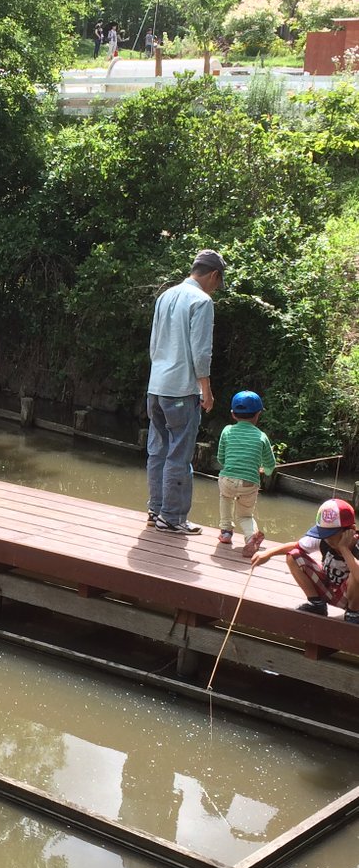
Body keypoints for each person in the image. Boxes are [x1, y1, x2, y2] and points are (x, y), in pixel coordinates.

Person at [146, 248, 225, 534]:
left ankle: (156, 510)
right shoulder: (202, 301)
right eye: (218, 283)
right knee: (179, 454)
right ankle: (173, 517)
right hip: (181, 390)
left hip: (155, 386)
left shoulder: (165, 295)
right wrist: (206, 390)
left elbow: (154, 345)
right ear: (214, 275)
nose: (216, 289)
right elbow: (201, 353)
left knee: (157, 451)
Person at [251, 498, 359, 624]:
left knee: (355, 574)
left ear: (350, 530)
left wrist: (344, 549)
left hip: (353, 596)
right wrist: (269, 553)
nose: (327, 539)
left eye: (331, 535)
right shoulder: (323, 539)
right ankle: (316, 603)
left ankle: (353, 612)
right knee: (293, 556)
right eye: (324, 534)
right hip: (331, 589)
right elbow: (296, 546)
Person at [217, 390, 276, 558]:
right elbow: (271, 466)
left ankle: (226, 532)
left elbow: (221, 459)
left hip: (227, 480)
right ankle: (250, 537)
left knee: (225, 497)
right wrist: (264, 470)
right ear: (258, 414)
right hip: (249, 484)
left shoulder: (227, 431)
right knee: (245, 515)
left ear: (233, 414)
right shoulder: (261, 437)